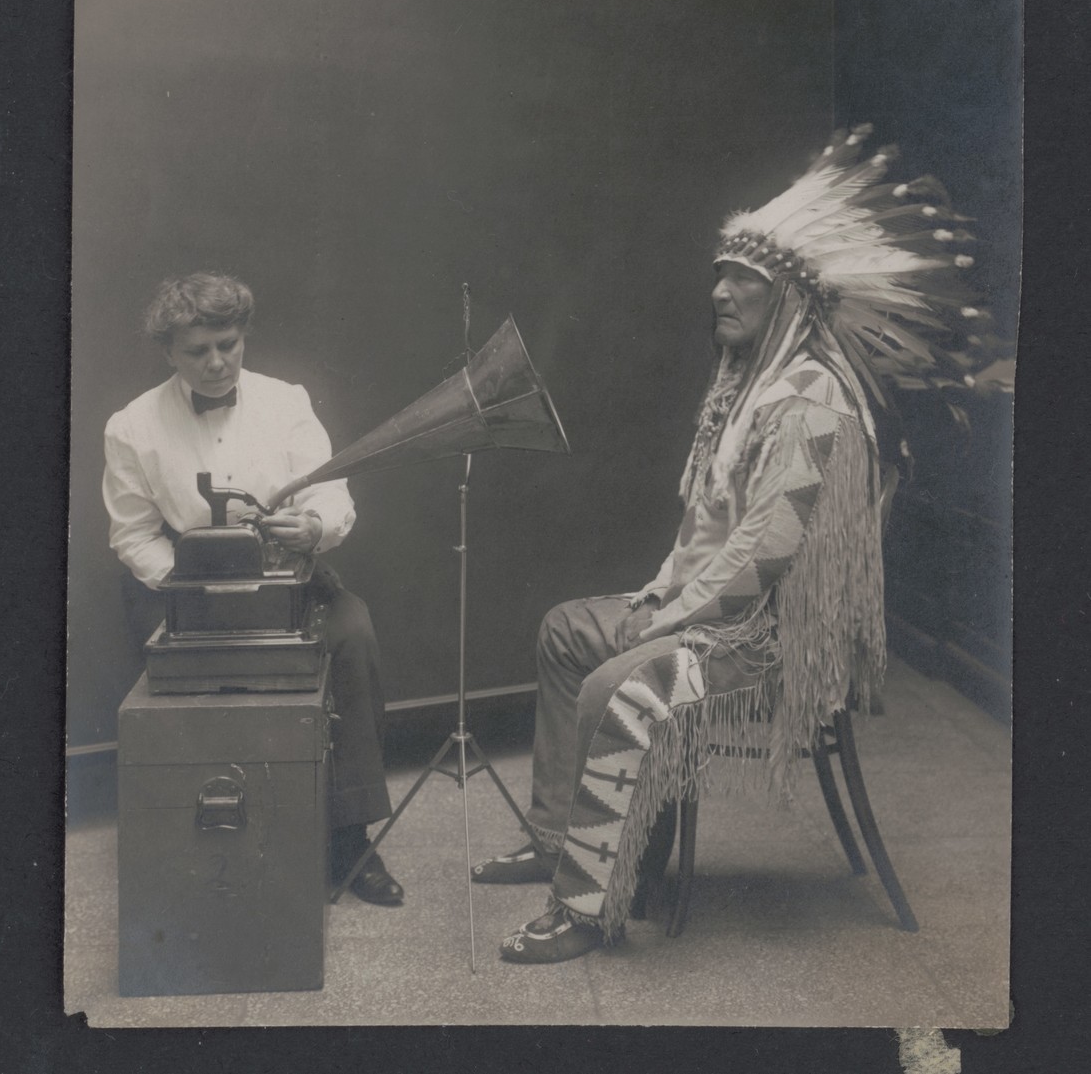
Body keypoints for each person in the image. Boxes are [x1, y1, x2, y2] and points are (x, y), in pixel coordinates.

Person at [474, 126, 1001, 963]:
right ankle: (556, 835)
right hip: (714, 614)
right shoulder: (750, 383)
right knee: (569, 629)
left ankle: (585, 904)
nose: (719, 290)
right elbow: (712, 522)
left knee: (622, 677)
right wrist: (660, 592)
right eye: (720, 272)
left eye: (742, 278)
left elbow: (765, 554)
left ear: (786, 299)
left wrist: (665, 619)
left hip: (762, 644)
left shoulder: (811, 402)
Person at [103, 271, 404, 907]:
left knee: (352, 634)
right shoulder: (130, 427)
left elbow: (331, 490)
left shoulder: (286, 401)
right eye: (197, 352)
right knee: (190, 675)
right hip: (187, 591)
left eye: (229, 345)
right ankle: (220, 841)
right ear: (169, 354)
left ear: (243, 337)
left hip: (288, 573)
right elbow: (131, 535)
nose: (217, 364)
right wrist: (188, 583)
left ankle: (349, 836)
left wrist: (314, 526)